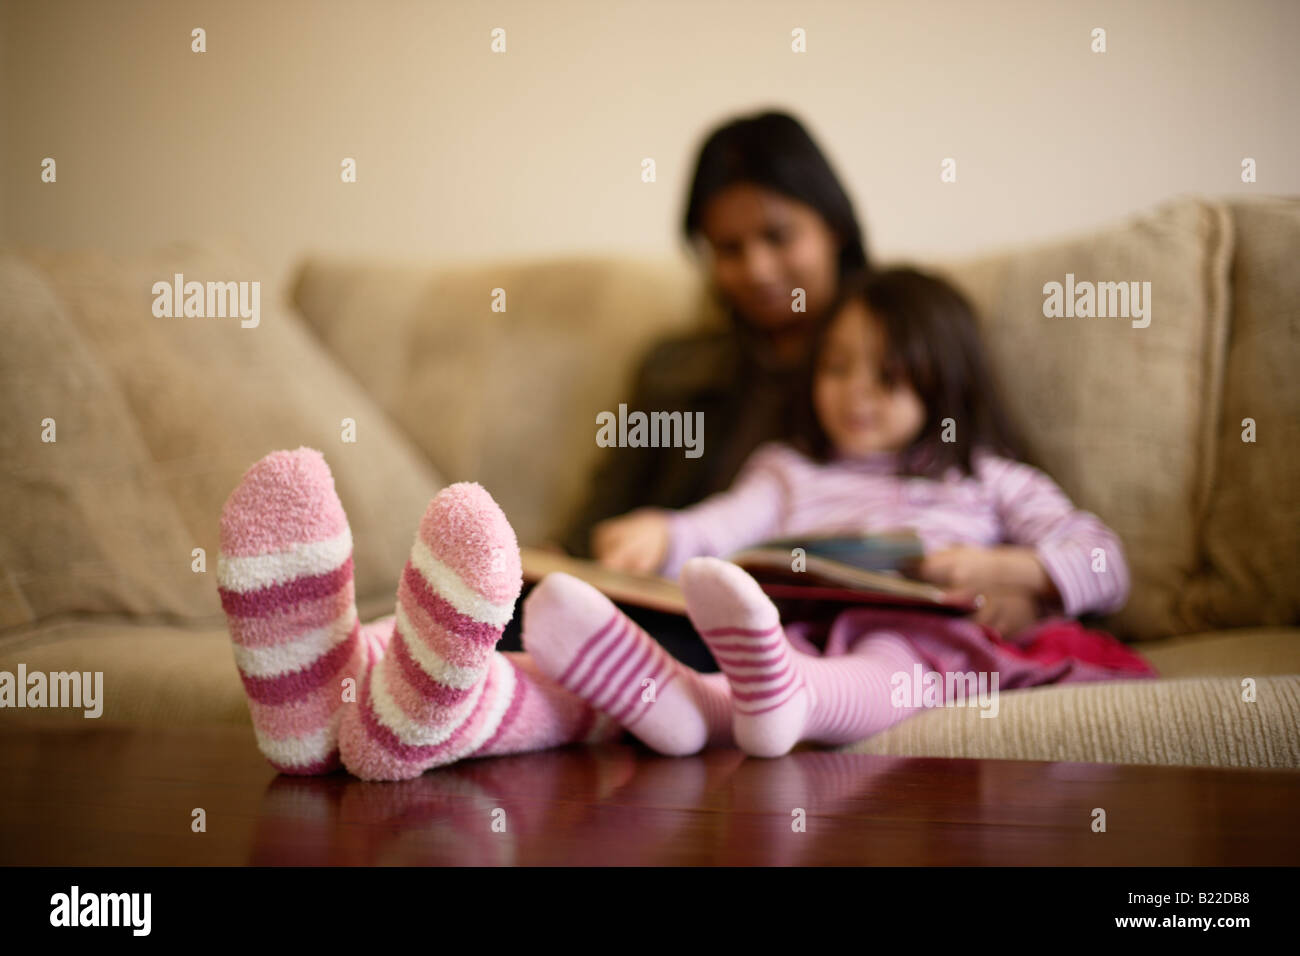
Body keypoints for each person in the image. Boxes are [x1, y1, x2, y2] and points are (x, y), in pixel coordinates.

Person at [215, 267, 1153, 782]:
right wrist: (661, 535)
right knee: (703, 631)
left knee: (889, 669)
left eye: (888, 374)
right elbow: (723, 522)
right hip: (784, 624)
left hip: (933, 641)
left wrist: (1021, 571)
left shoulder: (989, 479)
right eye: (837, 368)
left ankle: (762, 702)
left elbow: (1102, 555)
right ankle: (333, 685)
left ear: (946, 382)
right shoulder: (791, 470)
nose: (855, 393)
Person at [495, 109, 872, 670]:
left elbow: (985, 477)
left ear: (833, 227)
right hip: (669, 611)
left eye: (778, 236)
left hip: (818, 633)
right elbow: (595, 524)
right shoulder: (675, 370)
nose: (759, 270)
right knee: (491, 613)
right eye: (728, 249)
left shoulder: (896, 359)